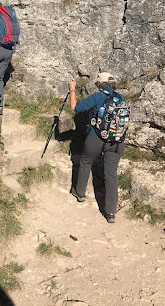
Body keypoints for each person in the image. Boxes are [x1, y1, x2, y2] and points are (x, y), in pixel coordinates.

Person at [68, 72, 126, 223]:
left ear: (100, 84)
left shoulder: (97, 96)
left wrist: (72, 89)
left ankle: (80, 193)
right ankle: (111, 213)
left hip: (96, 136)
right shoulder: (121, 98)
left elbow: (75, 107)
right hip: (116, 140)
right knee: (111, 173)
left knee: (86, 162)